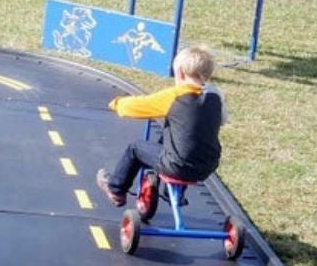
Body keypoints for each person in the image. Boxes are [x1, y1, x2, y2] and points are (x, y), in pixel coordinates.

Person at [94, 44, 224, 207]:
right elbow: (222, 120)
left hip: (177, 166)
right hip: (208, 165)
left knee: (136, 148)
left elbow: (139, 105)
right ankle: (172, 194)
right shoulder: (216, 96)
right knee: (184, 139)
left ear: (180, 73)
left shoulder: (175, 96)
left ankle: (116, 188)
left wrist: (117, 103)